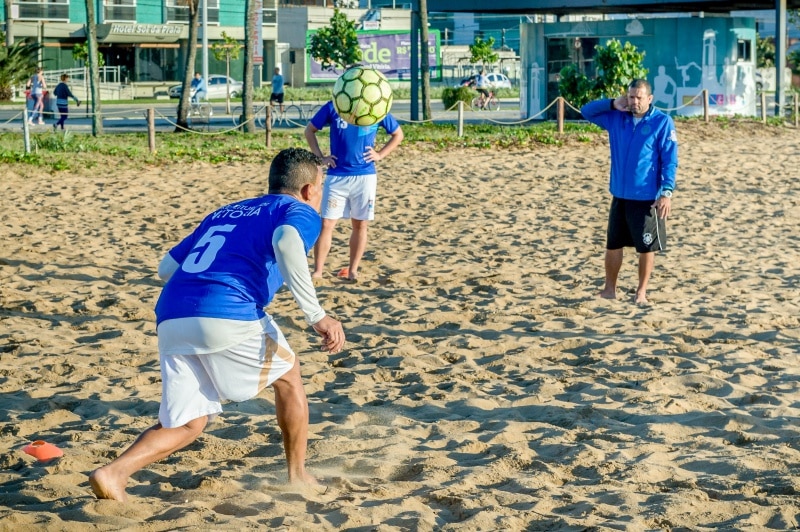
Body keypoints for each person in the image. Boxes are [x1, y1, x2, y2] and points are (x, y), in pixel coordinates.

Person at [88, 148, 346, 502]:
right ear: (307, 190)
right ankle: (298, 474)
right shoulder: (298, 211)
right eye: (321, 187)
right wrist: (317, 315)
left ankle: (113, 473)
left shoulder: (225, 212)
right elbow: (287, 243)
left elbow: (166, 268)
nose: (321, 195)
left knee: (188, 424)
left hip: (171, 314)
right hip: (227, 312)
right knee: (289, 377)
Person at [580, 79, 678, 304]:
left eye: (639, 97)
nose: (634, 102)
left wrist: (666, 192)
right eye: (630, 97)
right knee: (613, 244)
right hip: (620, 194)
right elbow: (586, 111)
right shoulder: (617, 118)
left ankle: (641, 292)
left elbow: (670, 160)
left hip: (646, 198)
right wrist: (614, 103)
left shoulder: (662, 122)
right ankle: (609, 289)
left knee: (646, 246)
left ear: (649, 99)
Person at [304, 101, 404, 282]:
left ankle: (353, 270)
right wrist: (320, 157)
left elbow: (397, 134)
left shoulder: (375, 105)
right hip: (337, 175)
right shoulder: (334, 105)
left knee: (360, 225)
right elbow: (309, 130)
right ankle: (318, 271)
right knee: (326, 223)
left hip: (365, 176)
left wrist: (380, 154)